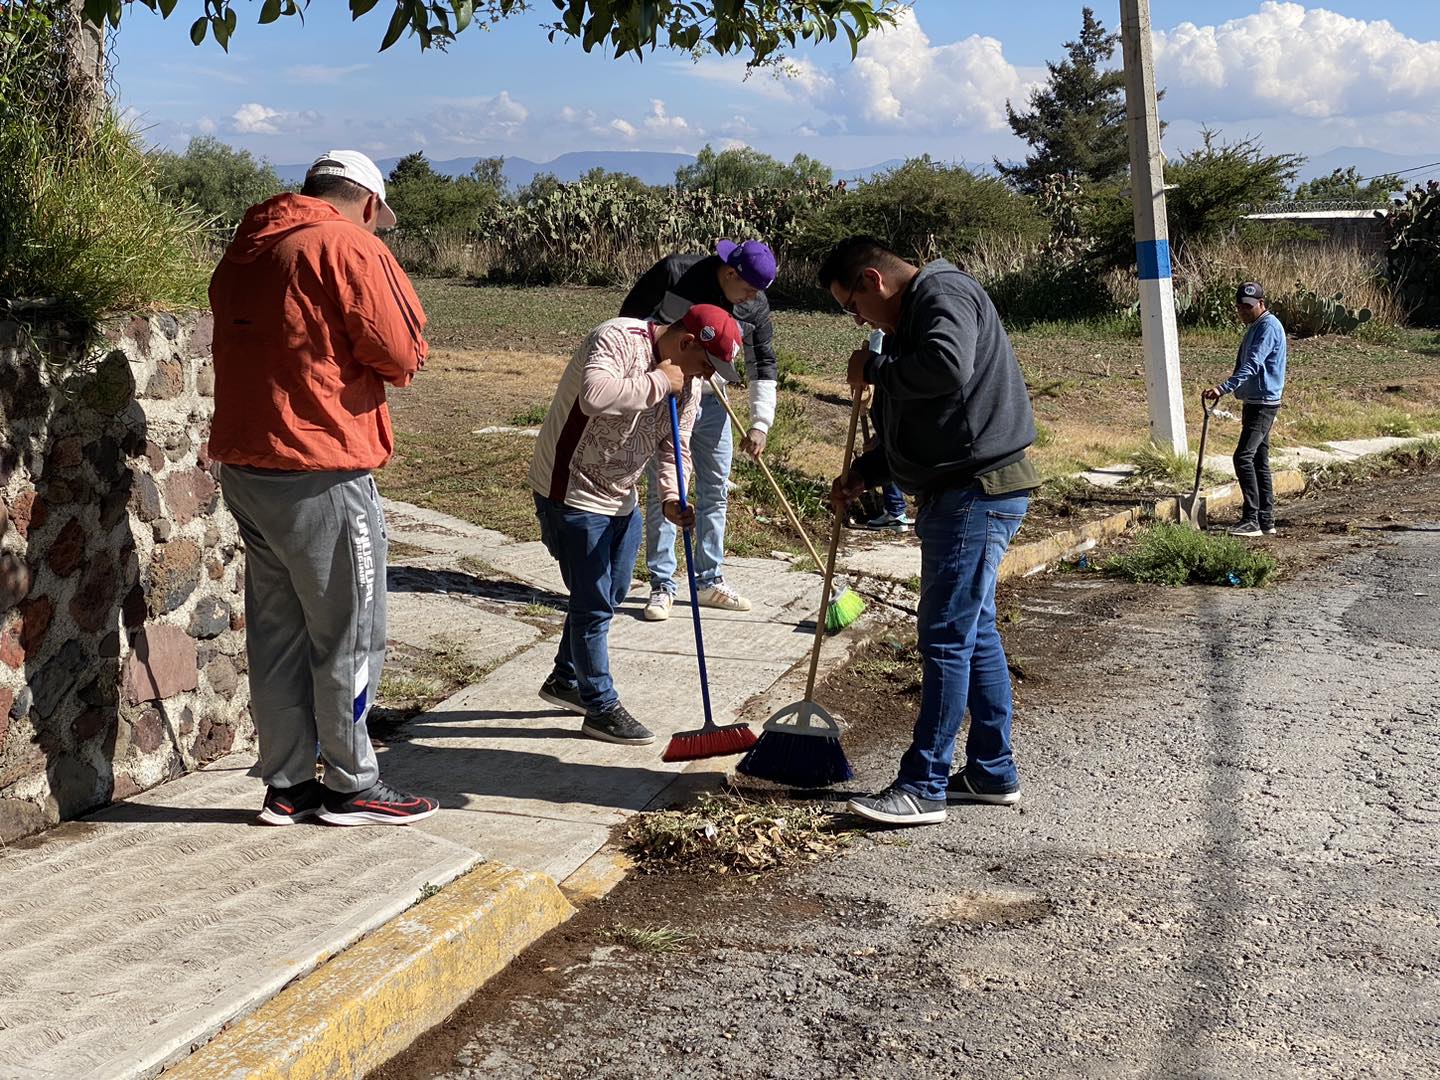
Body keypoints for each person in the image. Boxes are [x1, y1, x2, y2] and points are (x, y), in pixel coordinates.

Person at [210, 150, 438, 827]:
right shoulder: (344, 245)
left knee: (278, 634)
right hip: (323, 465)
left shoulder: (247, 248)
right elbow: (400, 354)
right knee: (350, 632)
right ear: (367, 204)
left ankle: (286, 783)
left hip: (248, 467)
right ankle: (351, 782)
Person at [821, 236, 1039, 827]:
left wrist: (876, 368)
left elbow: (946, 369)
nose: (858, 319)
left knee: (945, 635)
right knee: (975, 630)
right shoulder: (915, 314)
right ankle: (993, 772)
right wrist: (866, 472)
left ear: (874, 279)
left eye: (852, 305)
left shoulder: (941, 292)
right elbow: (935, 418)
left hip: (975, 491)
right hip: (965, 486)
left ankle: (924, 784)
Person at [529, 304, 743, 746]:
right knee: (593, 604)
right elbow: (594, 394)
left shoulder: (690, 387)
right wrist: (659, 381)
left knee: (615, 589)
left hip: (620, 496)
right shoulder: (616, 338)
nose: (706, 376)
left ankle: (565, 678)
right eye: (706, 365)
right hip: (570, 490)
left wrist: (670, 496)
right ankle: (600, 706)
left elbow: (674, 447)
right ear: (686, 343)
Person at [618, 240, 779, 621]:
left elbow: (763, 362)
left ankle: (709, 580)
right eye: (750, 288)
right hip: (666, 392)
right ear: (729, 273)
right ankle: (662, 585)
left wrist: (759, 423)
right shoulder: (675, 273)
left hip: (713, 400)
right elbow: (629, 325)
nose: (754, 297)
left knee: (715, 489)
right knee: (669, 489)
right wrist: (651, 383)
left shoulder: (755, 305)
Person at [1204, 282, 1287, 537]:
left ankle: (1251, 519)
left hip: (1263, 403)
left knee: (1242, 457)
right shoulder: (1257, 325)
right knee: (1259, 460)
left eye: (1248, 307)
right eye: (1240, 307)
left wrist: (1222, 388)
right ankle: (1266, 520)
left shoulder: (1268, 327)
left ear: (1261, 303)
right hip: (1255, 400)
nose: (1244, 311)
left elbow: (1252, 365)